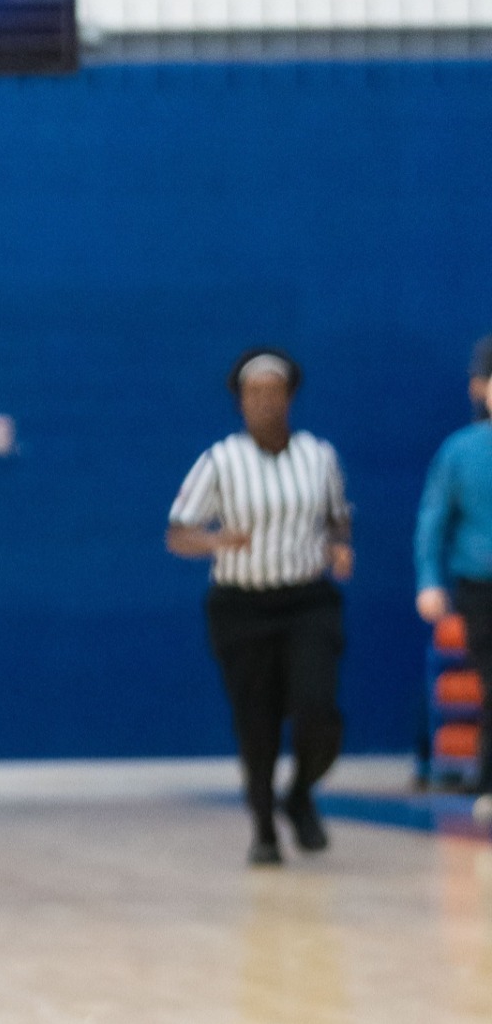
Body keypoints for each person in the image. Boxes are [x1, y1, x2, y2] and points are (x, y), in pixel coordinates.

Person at [166, 348, 353, 866]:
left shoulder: (319, 455)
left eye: (274, 392)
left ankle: (299, 794)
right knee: (257, 719)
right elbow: (178, 532)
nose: (265, 403)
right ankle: (265, 825)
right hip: (242, 607)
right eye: (254, 394)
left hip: (306, 600)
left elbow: (338, 515)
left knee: (319, 713)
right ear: (240, 402)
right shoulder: (220, 460)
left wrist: (341, 545)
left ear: (290, 396)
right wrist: (215, 542)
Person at [415, 380, 492, 823]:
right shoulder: (460, 451)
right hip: (480, 586)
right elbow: (434, 518)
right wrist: (429, 580)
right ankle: (487, 782)